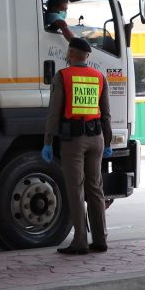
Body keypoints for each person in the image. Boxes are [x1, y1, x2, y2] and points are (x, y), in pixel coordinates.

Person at [42, 37, 113, 254]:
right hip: (97, 138)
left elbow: (54, 113)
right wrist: (108, 142)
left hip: (74, 140)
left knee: (75, 189)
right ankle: (100, 240)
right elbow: (107, 114)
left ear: (70, 54)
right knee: (95, 188)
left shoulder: (63, 76)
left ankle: (80, 242)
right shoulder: (100, 77)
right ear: (88, 56)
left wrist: (47, 142)